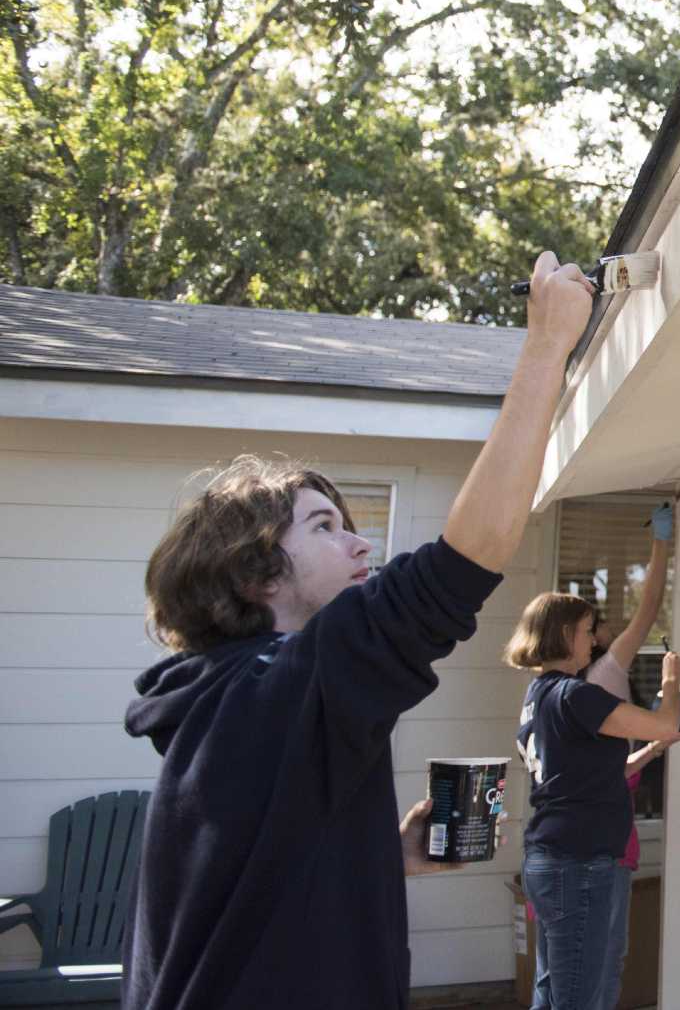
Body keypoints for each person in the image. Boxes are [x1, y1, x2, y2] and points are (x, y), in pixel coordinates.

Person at [123, 251, 597, 1010]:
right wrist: (546, 346)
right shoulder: (270, 691)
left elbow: (260, 880)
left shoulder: (232, 704)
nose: (360, 545)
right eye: (323, 527)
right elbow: (460, 567)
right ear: (253, 573)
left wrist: (380, 854)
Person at [505, 590, 680, 1010]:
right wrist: (670, 680)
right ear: (564, 633)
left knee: (551, 990)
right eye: (587, 631)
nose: (593, 641)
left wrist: (654, 750)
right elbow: (664, 722)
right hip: (579, 861)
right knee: (578, 996)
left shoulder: (539, 696)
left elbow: (589, 775)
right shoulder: (576, 695)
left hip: (549, 856)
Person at [577, 501, 678, 1010]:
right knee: (600, 964)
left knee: (575, 967)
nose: (608, 630)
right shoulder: (603, 675)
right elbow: (649, 608)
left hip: (582, 844)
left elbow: (610, 772)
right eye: (595, 626)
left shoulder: (553, 690)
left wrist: (653, 747)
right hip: (601, 849)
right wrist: (662, 540)